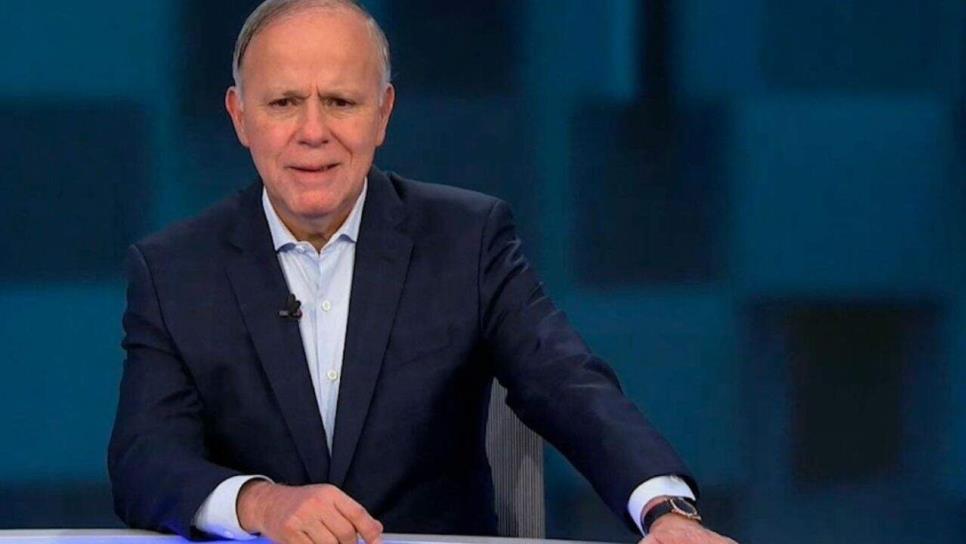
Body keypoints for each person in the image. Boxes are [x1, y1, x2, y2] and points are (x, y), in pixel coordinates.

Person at [108, 1, 736, 544]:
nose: (313, 132)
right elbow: (145, 460)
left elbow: (567, 383)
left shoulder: (467, 238)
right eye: (284, 103)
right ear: (240, 115)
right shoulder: (174, 270)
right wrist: (260, 504)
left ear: (383, 113)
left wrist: (663, 508)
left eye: (340, 102)